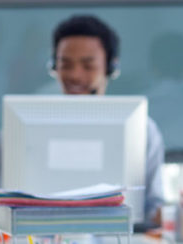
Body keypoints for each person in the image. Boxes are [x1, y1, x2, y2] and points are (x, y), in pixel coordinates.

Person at [49, 15, 165, 227]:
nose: (75, 75)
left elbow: (154, 207)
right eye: (66, 64)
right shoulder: (22, 127)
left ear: (110, 67)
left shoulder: (143, 130)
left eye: (87, 65)